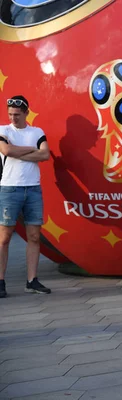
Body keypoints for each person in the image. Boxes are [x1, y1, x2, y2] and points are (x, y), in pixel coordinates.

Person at [0, 95, 51, 298]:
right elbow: (6, 150)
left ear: (26, 113)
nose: (13, 118)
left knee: (34, 236)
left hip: (32, 189)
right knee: (4, 237)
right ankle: (1, 281)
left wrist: (18, 152)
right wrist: (32, 150)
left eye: (17, 114)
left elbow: (45, 155)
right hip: (9, 188)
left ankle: (32, 280)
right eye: (11, 114)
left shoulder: (36, 132)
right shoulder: (3, 130)